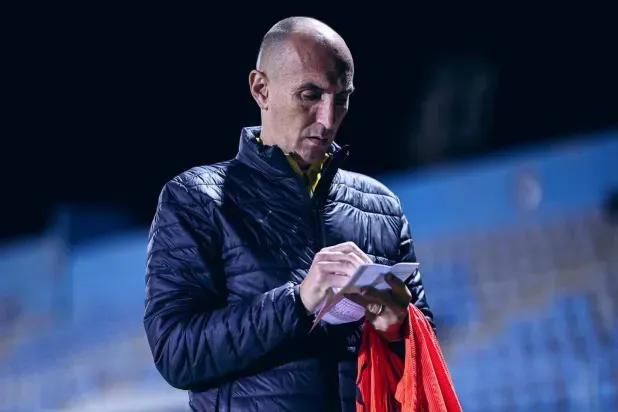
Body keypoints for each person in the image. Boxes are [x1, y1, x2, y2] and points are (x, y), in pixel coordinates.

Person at [143, 16, 435, 412]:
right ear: (261, 89)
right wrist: (296, 302)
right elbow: (175, 354)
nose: (328, 120)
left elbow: (425, 351)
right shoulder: (195, 198)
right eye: (310, 94)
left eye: (341, 99)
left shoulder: (382, 206)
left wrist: (398, 328)